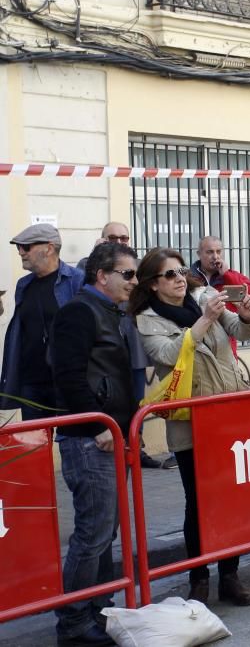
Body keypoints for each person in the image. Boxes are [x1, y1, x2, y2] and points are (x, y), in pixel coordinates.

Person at [131, 248, 250, 607]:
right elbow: (171, 354)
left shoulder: (203, 296)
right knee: (197, 501)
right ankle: (199, 576)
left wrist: (247, 315)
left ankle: (230, 575)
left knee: (231, 497)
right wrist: (203, 320)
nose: (177, 279)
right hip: (191, 418)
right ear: (153, 284)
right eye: (169, 275)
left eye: (179, 272)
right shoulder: (147, 320)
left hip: (228, 409)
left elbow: (240, 329)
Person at [50, 243, 139, 647]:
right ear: (102, 275)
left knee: (105, 533)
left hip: (110, 434)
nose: (134, 282)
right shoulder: (78, 312)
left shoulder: (108, 312)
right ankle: (72, 623)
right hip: (90, 440)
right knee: (92, 534)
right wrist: (95, 424)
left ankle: (99, 611)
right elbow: (67, 375)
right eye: (128, 274)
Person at [77, 222, 163, 469]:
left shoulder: (133, 266)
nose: (119, 241)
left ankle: (136, 445)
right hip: (104, 354)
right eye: (113, 237)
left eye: (124, 237)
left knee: (135, 401)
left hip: (132, 347)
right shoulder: (89, 268)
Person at [0, 223, 84, 419]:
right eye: (18, 247)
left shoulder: (77, 281)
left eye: (26, 246)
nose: (21, 252)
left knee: (72, 443)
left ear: (49, 248)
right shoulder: (23, 285)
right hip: (32, 382)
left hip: (66, 380)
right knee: (36, 444)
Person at [191, 235, 250, 356]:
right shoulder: (189, 278)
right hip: (197, 340)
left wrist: (227, 275)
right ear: (199, 254)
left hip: (225, 342)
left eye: (219, 251)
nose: (215, 256)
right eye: (209, 252)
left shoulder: (231, 275)